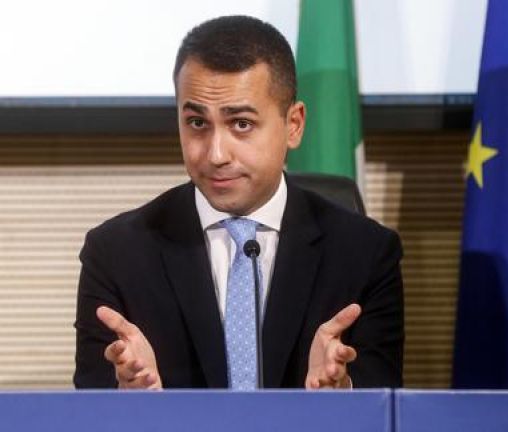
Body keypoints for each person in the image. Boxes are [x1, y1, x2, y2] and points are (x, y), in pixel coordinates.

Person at [73, 15, 404, 390]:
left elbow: (384, 405)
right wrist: (128, 397)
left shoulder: (365, 254)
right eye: (197, 123)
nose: (216, 154)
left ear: (294, 125)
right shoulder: (116, 254)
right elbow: (88, 406)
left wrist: (342, 394)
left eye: (241, 124)